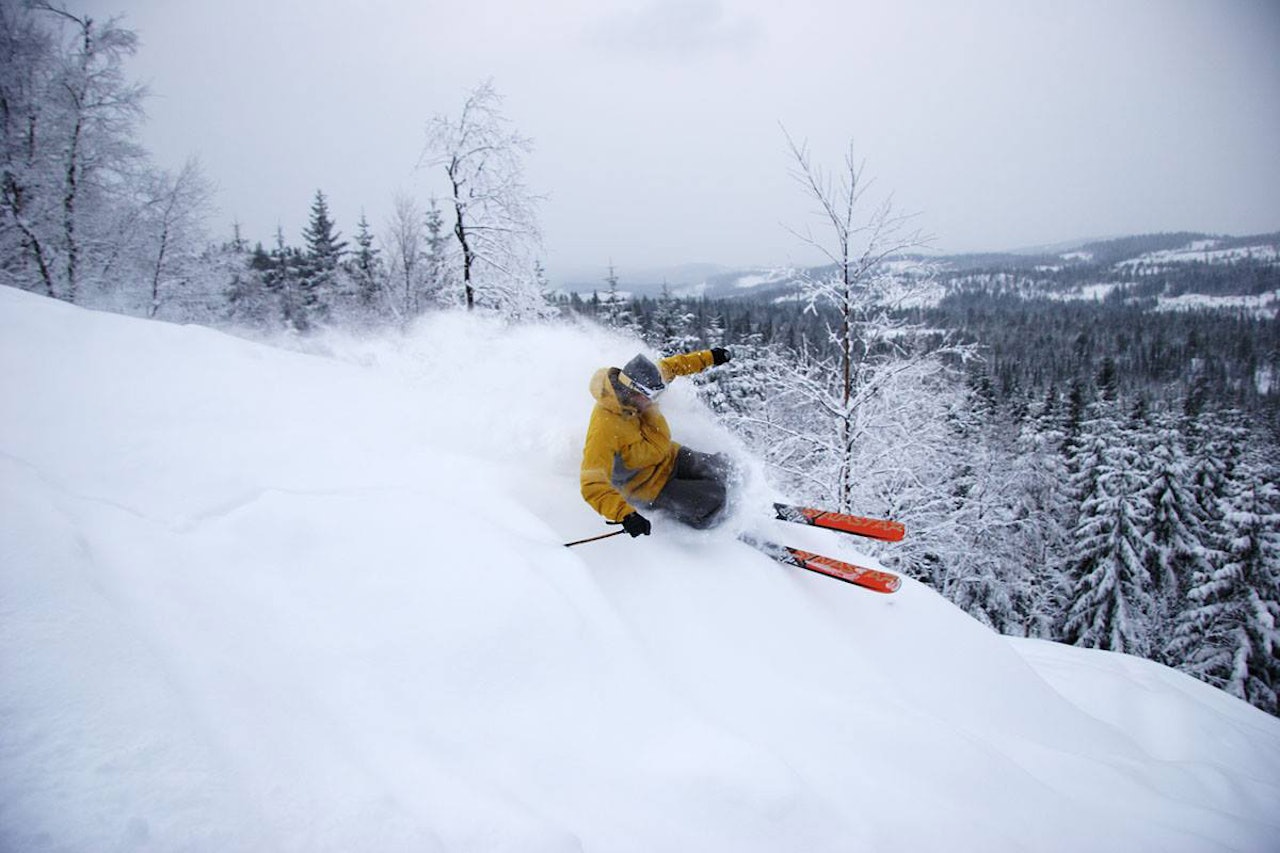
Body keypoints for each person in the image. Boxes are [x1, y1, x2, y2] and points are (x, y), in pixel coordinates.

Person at [580, 348, 734, 536]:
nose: (655, 401)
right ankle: (720, 523)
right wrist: (625, 515)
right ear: (635, 392)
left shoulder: (641, 383)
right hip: (650, 485)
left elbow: (674, 366)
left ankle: (738, 503)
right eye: (651, 397)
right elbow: (592, 484)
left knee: (726, 468)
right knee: (715, 501)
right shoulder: (605, 427)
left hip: (670, 455)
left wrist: (710, 357)